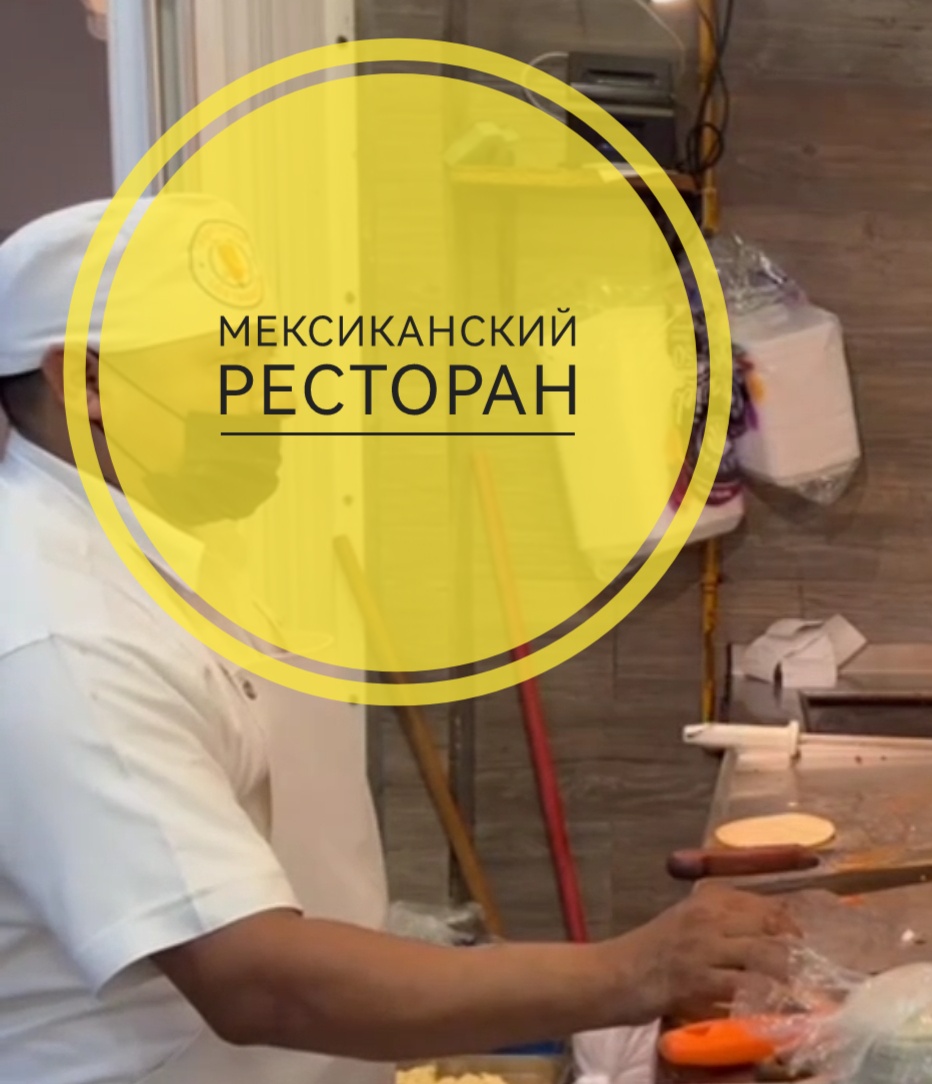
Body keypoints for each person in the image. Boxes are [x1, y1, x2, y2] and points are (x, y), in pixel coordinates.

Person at [0, 199, 796, 1084]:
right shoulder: (56, 635)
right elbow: (254, 982)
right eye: (231, 364)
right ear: (88, 383)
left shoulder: (189, 553)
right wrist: (632, 971)